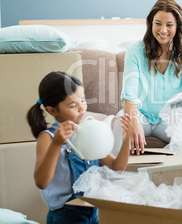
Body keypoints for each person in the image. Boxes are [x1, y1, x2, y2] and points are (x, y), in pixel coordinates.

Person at [26, 71, 131, 224]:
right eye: (73, 105)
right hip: (65, 216)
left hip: (94, 211)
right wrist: (57, 143)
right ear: (52, 111)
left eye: (83, 100)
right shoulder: (47, 137)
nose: (82, 108)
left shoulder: (89, 132)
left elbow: (116, 168)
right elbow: (41, 182)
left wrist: (126, 141)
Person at [113, 0, 182, 156]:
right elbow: (129, 93)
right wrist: (133, 121)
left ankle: (160, 167)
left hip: (168, 118)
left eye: (169, 25)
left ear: (178, 26)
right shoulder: (135, 51)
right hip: (140, 114)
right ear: (151, 24)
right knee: (122, 123)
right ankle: (112, 175)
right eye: (158, 23)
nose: (163, 30)